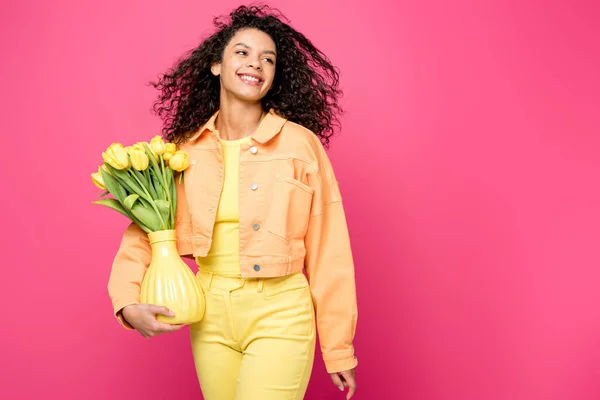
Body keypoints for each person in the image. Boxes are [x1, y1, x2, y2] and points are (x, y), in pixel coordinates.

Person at [107, 4, 358, 400]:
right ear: (216, 65)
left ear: (275, 75)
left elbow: (330, 249)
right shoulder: (183, 151)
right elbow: (148, 228)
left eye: (267, 59)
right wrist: (127, 302)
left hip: (281, 311)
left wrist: (338, 346)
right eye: (242, 52)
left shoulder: (300, 144)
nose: (254, 64)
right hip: (209, 314)